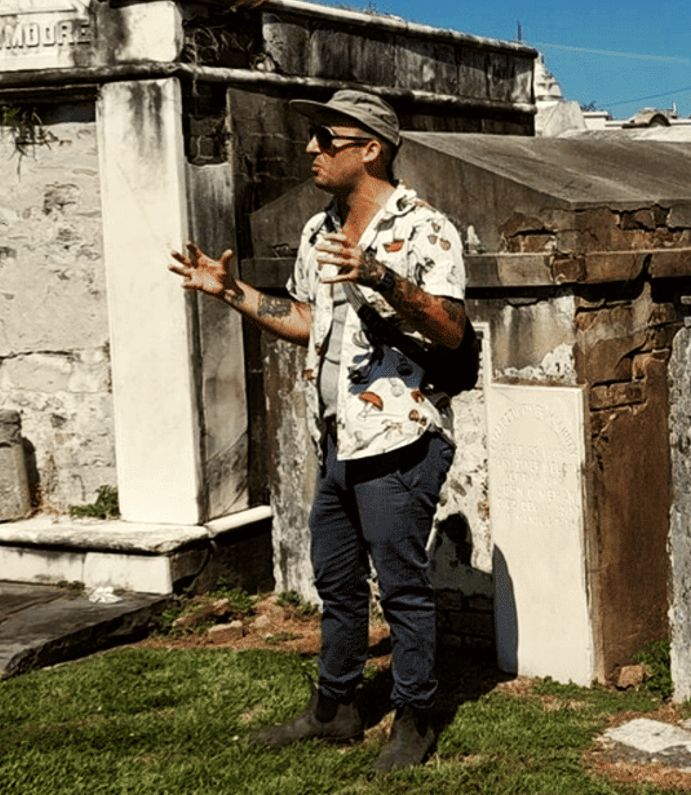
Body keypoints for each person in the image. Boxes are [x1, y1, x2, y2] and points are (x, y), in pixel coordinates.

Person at [168, 89, 470, 773]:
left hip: (399, 438)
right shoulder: (317, 228)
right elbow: (309, 317)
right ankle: (334, 709)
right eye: (311, 136)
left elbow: (450, 329)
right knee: (334, 578)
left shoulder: (425, 228)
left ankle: (416, 717)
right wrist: (231, 292)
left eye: (325, 137)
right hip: (337, 436)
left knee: (402, 585)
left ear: (370, 147)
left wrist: (382, 276)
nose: (311, 148)